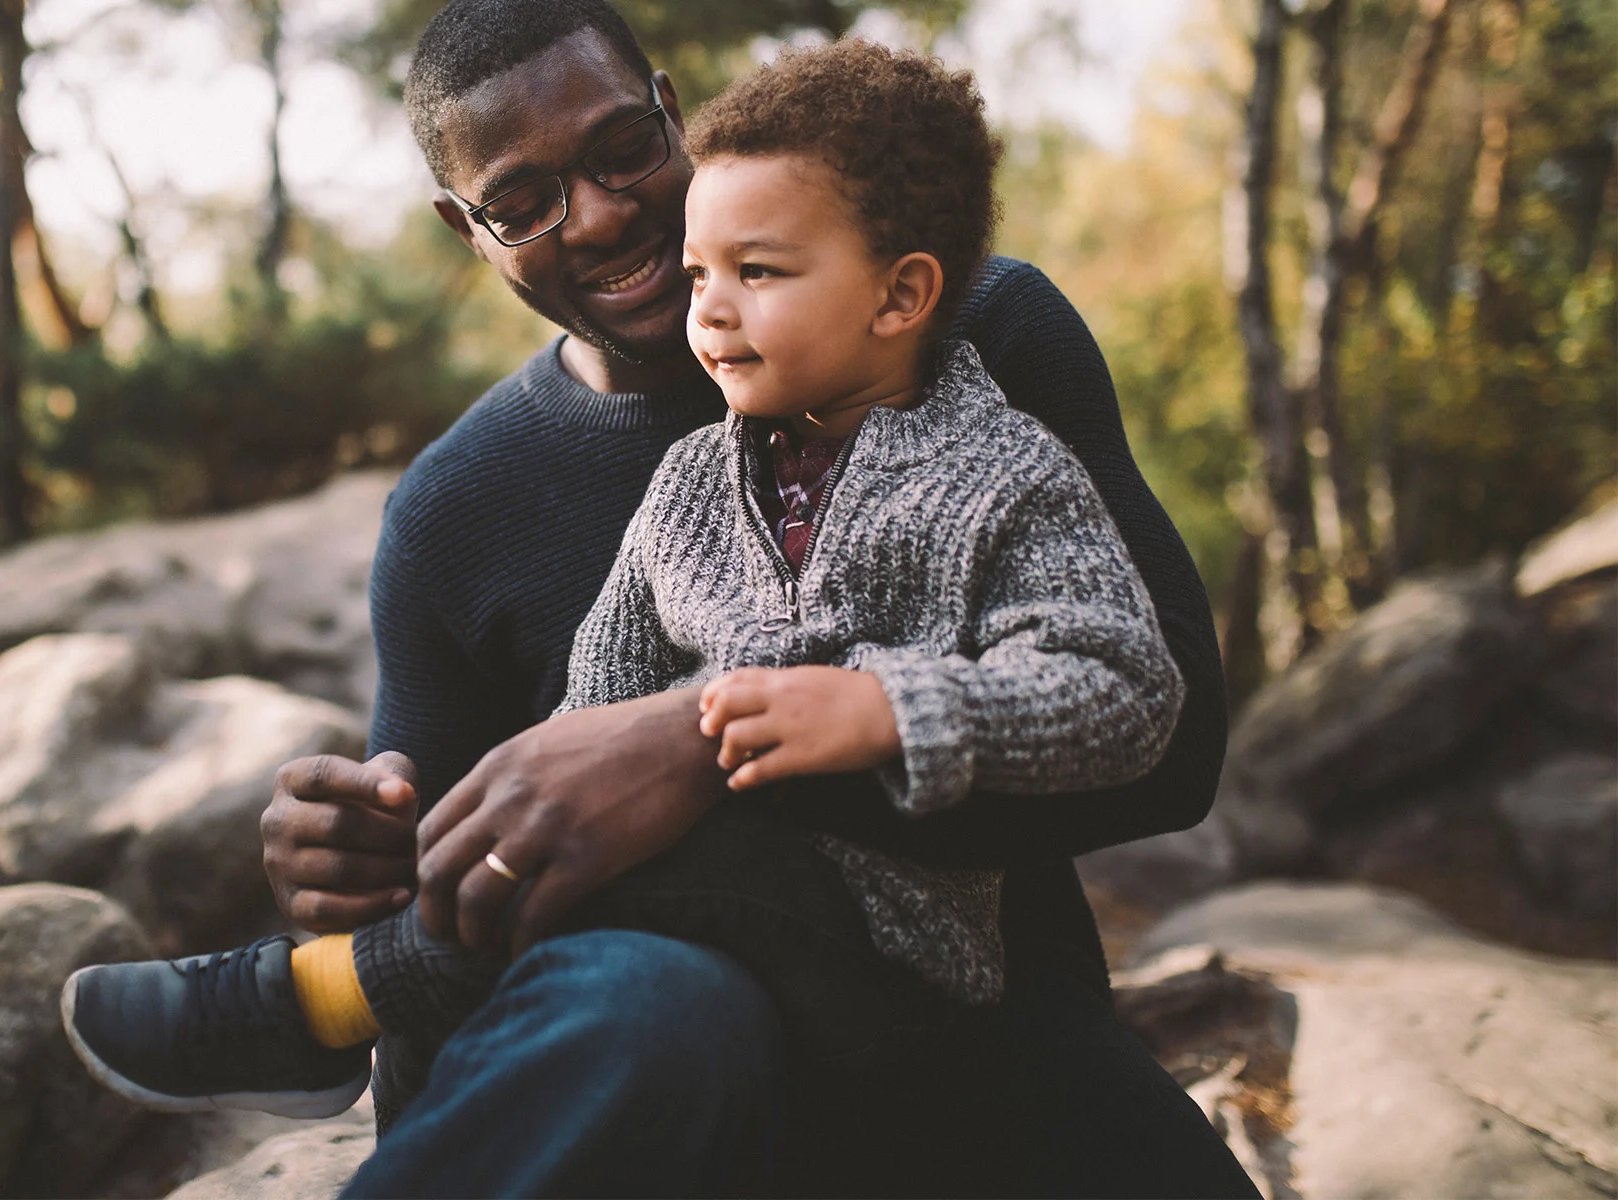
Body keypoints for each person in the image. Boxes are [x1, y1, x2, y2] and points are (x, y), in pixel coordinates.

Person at [80, 1, 1258, 1194]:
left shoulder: (977, 335)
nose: (598, 215)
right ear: (466, 229)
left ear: (672, 114)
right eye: (524, 201)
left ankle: (320, 999)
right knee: (654, 1000)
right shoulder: (472, 508)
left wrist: (707, 746)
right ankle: (321, 1000)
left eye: (621, 151)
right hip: (643, 1040)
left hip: (973, 1013)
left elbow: (1167, 740)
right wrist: (355, 864)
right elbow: (497, 840)